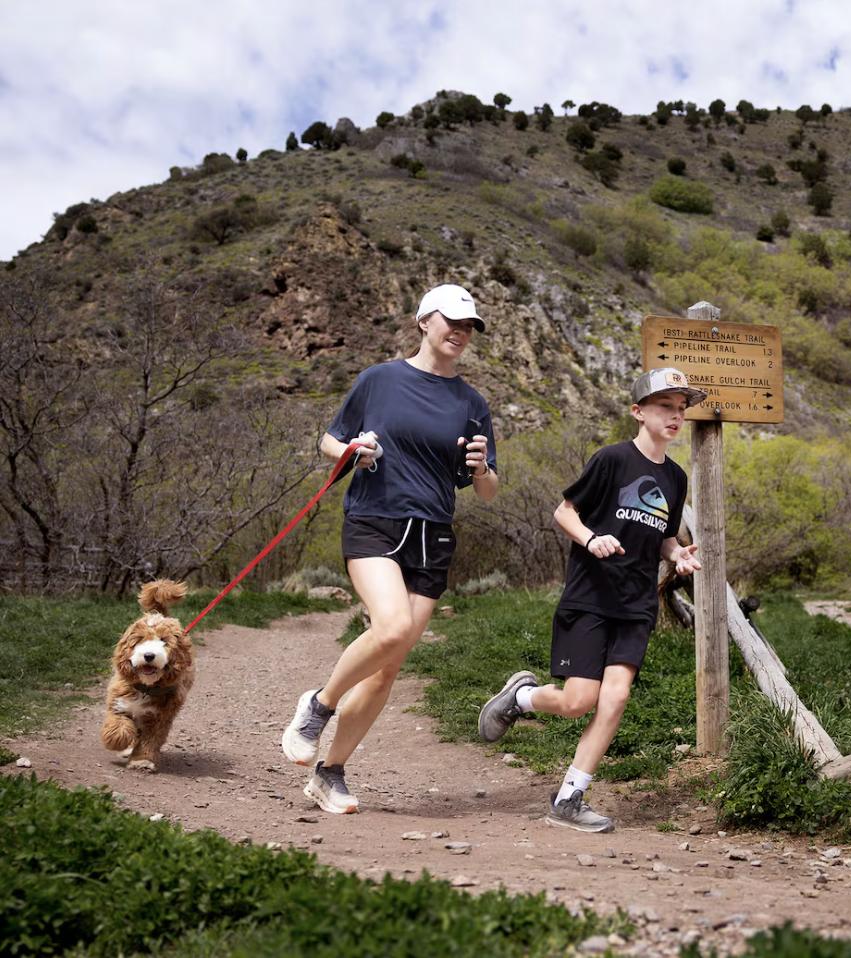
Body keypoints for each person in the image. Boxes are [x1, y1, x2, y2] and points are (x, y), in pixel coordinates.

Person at [281, 283, 499, 814]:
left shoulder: (472, 403)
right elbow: (330, 440)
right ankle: (319, 705)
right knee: (394, 627)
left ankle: (330, 773)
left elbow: (488, 490)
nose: (460, 332)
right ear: (424, 320)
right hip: (375, 521)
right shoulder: (379, 379)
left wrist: (480, 469)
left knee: (387, 668)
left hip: (433, 534)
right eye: (452, 321)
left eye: (468, 326)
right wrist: (353, 449)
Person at [477, 367, 704, 832]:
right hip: (591, 597)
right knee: (579, 701)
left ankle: (569, 798)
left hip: (637, 604)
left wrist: (676, 554)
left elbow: (662, 536)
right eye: (665, 407)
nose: (675, 416)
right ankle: (521, 697)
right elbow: (565, 512)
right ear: (638, 412)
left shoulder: (676, 477)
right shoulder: (612, 460)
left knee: (615, 698)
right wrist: (591, 538)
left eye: (681, 409)